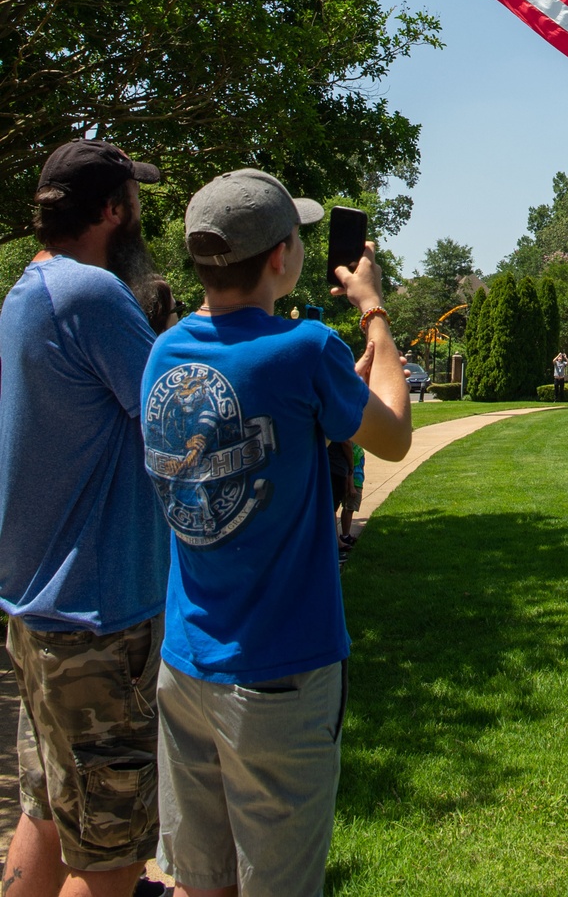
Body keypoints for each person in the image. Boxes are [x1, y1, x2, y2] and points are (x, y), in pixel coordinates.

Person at [141, 168, 411, 897]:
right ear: (281, 257)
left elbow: (262, 411)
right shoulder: (305, 348)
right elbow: (392, 439)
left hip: (185, 663)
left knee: (203, 884)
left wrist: (330, 390)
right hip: (281, 674)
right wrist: (374, 311)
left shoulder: (163, 352)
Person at [0, 139, 170, 897]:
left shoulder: (27, 291)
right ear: (110, 211)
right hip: (99, 623)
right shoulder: (91, 295)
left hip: (42, 616)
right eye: (133, 199)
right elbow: (172, 423)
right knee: (112, 858)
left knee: (45, 808)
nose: (140, 212)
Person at [339, 444, 366, 549]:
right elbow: (350, 468)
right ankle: (345, 535)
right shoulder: (351, 447)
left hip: (357, 481)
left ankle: (346, 535)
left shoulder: (355, 445)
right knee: (349, 508)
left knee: (349, 509)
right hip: (354, 483)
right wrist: (351, 486)